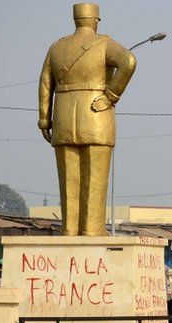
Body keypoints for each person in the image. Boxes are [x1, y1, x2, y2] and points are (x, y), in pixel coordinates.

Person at [37, 3, 137, 236]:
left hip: (63, 116)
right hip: (96, 115)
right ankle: (92, 231)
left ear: (75, 20)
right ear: (96, 20)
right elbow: (129, 61)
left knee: (69, 182)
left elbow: (45, 83)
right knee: (94, 180)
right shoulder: (104, 44)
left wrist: (44, 119)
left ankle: (70, 231)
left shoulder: (56, 47)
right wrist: (111, 95)